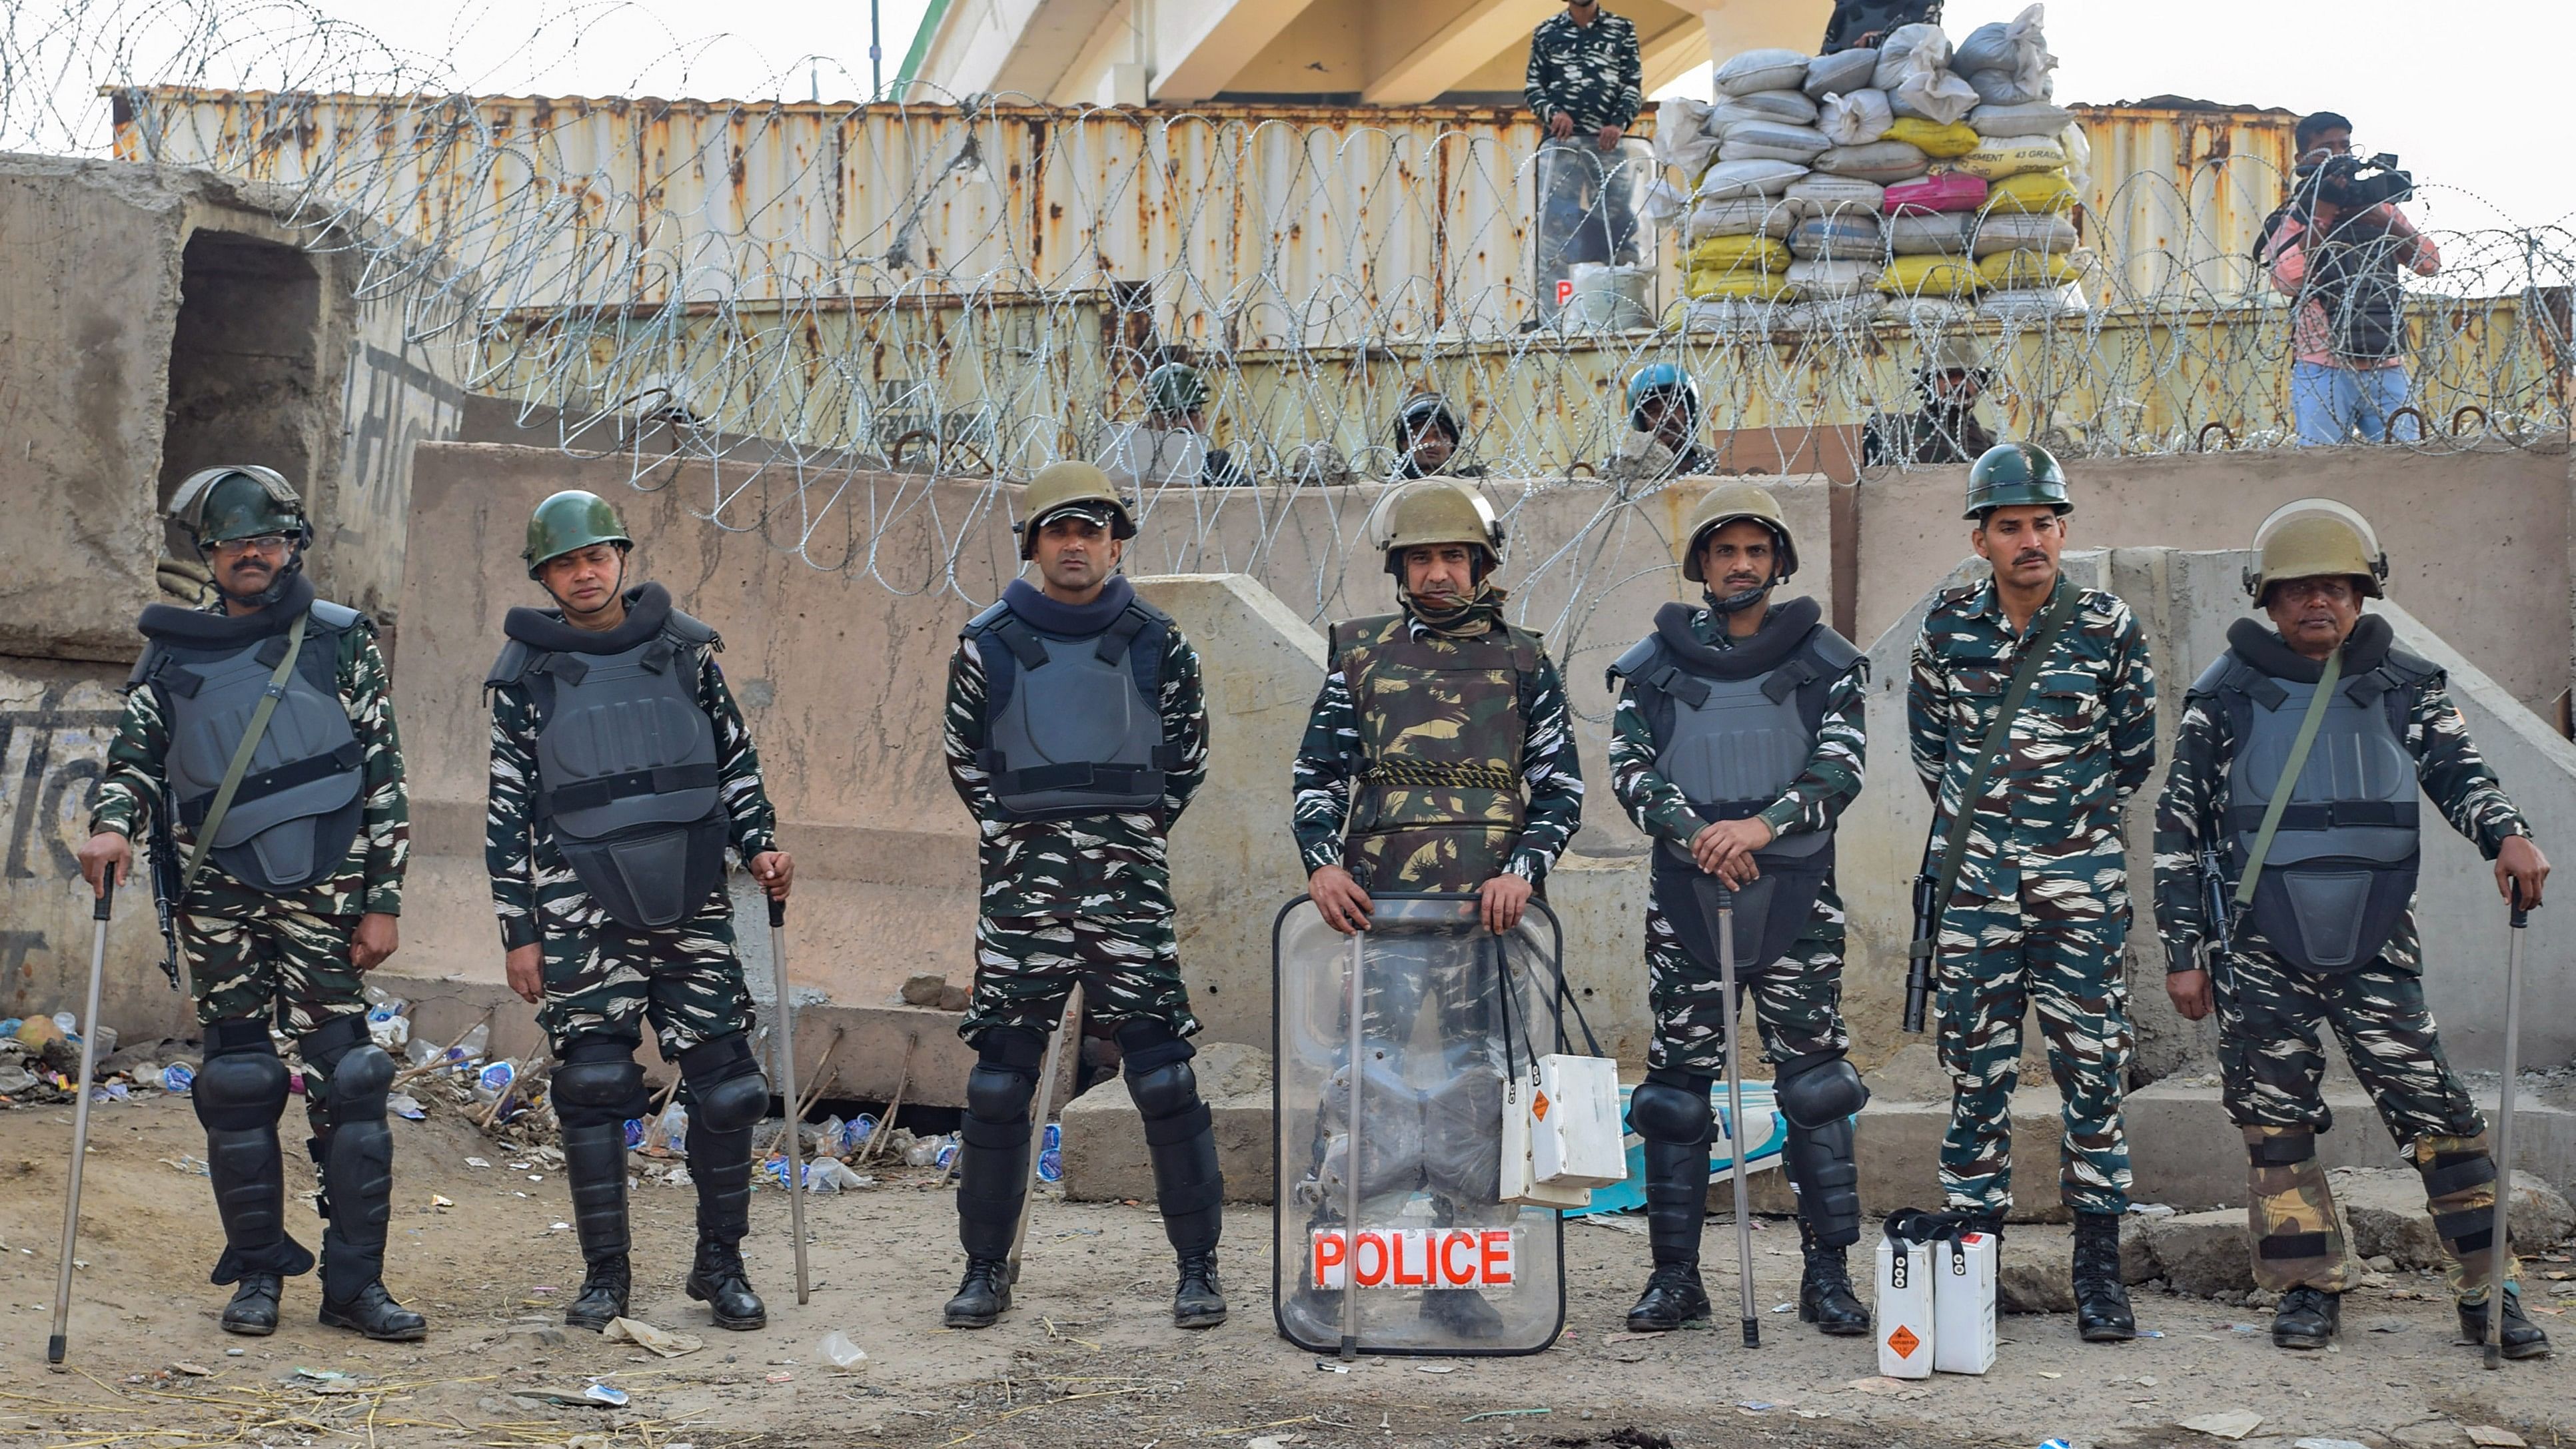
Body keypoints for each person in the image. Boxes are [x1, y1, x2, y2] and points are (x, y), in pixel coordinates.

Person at [2152, 500, 2552, 1359]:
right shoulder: (2223, 697)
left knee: (2438, 1117)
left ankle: (2490, 1293)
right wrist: (2182, 955)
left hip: (2375, 939)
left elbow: (2459, 773)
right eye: (2297, 591)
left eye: (2334, 587)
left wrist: (2506, 832)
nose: (2315, 605)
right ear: (2267, 599)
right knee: (2274, 1124)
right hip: (2259, 945)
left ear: (2363, 593)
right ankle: (2305, 1288)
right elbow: (2176, 833)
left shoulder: (2404, 684)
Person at [78, 466, 421, 1341]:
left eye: (267, 540)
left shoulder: (340, 639)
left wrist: (381, 902)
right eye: (234, 544)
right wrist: (113, 827)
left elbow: (383, 775)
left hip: (326, 891)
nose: (253, 555)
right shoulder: (173, 652)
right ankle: (258, 1273)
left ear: (293, 542)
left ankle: (354, 1288)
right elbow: (136, 760)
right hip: (218, 892)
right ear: (210, 555)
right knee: (237, 1083)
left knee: (351, 1080)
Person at [484, 489, 792, 1334]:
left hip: (689, 893)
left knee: (728, 1089)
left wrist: (761, 844)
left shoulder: (687, 652)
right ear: (544, 576)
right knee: (591, 1087)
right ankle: (605, 1280)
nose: (584, 574)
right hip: (578, 907)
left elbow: (734, 761)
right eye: (564, 564)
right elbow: (508, 808)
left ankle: (719, 1268)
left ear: (620, 556)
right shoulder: (525, 676)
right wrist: (519, 931)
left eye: (596, 556)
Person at [1289, 479, 1586, 1336]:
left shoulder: (1523, 660)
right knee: (1357, 1088)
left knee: (1477, 1096)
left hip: (1489, 923)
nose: (1436, 572)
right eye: (1420, 557)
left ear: (1480, 565)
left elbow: (1561, 787)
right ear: (1399, 568)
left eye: (1452, 556)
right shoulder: (1358, 653)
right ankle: (1326, 1274)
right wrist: (1320, 867)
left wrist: (1523, 868)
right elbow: (1317, 777)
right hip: (1377, 914)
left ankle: (1456, 1283)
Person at [940, 462, 1225, 1331]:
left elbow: (1185, 758)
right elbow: (965, 760)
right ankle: (985, 1268)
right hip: (1022, 892)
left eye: (1092, 529)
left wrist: (1124, 835)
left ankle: (1198, 1270)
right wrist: (1026, 834)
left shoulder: (1157, 640)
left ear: (1115, 540)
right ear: (1033, 543)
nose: (1076, 544)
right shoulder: (986, 642)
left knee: (1165, 1078)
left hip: (1126, 888)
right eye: (1059, 530)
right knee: (998, 1082)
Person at [1605, 484, 1871, 1338]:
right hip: (1687, 897)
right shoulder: (1654, 664)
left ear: (1778, 562)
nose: (1741, 565)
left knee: (1817, 1089)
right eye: (1725, 551)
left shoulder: (1825, 661)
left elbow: (1840, 770)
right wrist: (1699, 835)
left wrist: (1757, 827)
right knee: (1676, 1096)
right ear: (1702, 567)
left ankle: (1826, 1278)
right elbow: (1629, 771)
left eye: (1757, 550)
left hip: (1794, 893)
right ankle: (1674, 1280)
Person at [1906, 442, 2157, 1342]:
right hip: (1975, 895)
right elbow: (1931, 755)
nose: (2029, 541)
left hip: (2078, 892)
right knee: (1976, 1079)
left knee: (2092, 1073)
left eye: (2043, 524)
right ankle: (1975, 1269)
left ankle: (2098, 1273)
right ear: (1980, 538)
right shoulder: (1945, 631)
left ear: (2062, 530)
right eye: (2009, 526)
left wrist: (2063, 832)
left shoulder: (2105, 626)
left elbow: (2132, 752)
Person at [2255, 112, 2440, 446]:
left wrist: (2384, 221)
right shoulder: (2295, 217)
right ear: (2303, 159)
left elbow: (2429, 264)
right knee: (2321, 466)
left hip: (2384, 362)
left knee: (2406, 462)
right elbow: (2288, 280)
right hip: (2322, 366)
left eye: (2345, 146)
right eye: (2326, 148)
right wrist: (2323, 218)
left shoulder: (2381, 210)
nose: (2339, 155)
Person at [1526, 1, 1643, 314]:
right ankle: (1554, 314)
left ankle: (1621, 307)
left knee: (1617, 225)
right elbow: (1534, 87)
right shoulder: (1547, 32)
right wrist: (1554, 113)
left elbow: (1632, 85)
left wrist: (1618, 123)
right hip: (1561, 149)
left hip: (1607, 148)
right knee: (1556, 229)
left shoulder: (1622, 29)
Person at [1101, 362, 1253, 489]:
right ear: (1153, 421)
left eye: (1192, 414)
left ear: (1204, 420)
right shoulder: (1125, 466)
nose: (1184, 423)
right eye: (1174, 416)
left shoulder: (1223, 475)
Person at [1863, 337, 1998, 468]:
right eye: (1948, 375)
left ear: (1979, 385)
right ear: (1929, 383)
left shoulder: (1991, 444)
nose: (1959, 383)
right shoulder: (1889, 430)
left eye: (1969, 376)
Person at [1612, 365, 1716, 480]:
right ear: (1641, 421)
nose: (1665, 417)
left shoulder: (1714, 464)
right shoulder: (1621, 470)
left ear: (1689, 413)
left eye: (1674, 407)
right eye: (1653, 412)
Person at [1392, 392, 1480, 480]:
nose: (1431, 442)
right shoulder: (1385, 488)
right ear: (1404, 444)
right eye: (1420, 435)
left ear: (1452, 447)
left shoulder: (1468, 486)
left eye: (1441, 436)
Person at [1820, 0, 1944, 51]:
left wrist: (1884, 38)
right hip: (1845, 94)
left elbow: (1930, 49)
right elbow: (1826, 56)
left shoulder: (1922, 5)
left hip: (1904, 86)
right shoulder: (1846, 6)